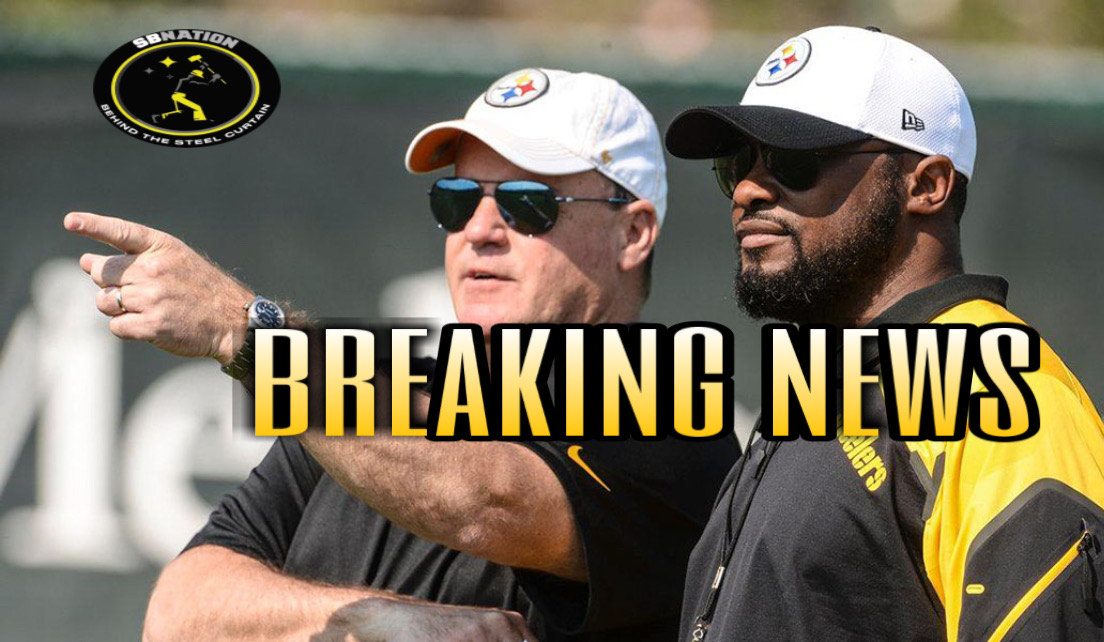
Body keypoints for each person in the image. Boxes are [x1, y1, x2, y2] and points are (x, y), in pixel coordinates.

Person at [65, 68, 739, 641]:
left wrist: (246, 332)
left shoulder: (676, 406)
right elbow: (179, 611)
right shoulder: (362, 397)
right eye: (457, 201)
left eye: (527, 204)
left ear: (632, 233)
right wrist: (380, 621)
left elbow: (479, 501)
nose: (479, 230)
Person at [664, 26, 1104, 641]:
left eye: (793, 160)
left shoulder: (999, 393)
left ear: (927, 185)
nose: (749, 190)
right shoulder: (826, 385)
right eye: (737, 166)